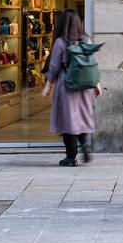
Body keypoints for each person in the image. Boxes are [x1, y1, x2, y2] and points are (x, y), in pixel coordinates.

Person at [42, 10, 102, 167]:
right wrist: (97, 84)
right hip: (85, 88)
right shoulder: (86, 40)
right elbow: (94, 64)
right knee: (82, 118)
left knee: (68, 121)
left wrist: (48, 86)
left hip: (66, 87)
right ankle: (86, 146)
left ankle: (71, 157)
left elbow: (54, 67)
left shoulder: (61, 42)